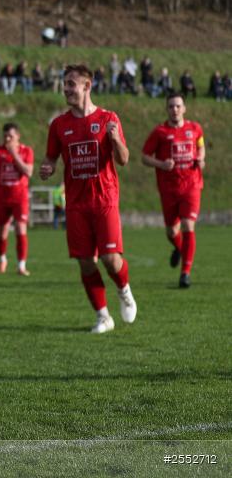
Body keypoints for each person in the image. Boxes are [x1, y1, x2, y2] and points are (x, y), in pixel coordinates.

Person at [39, 64, 137, 334]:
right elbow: (50, 157)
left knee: (110, 258)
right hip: (76, 204)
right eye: (65, 83)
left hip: (104, 200)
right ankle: (103, 316)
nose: (66, 88)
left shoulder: (108, 118)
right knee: (85, 261)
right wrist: (47, 167)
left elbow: (124, 159)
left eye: (71, 83)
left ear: (87, 86)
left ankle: (124, 289)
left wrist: (116, 140)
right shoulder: (59, 125)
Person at [141, 94, 205, 288]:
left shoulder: (194, 129)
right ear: (166, 109)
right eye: (171, 106)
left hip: (192, 185)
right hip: (168, 189)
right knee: (171, 231)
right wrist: (161, 164)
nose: (175, 110)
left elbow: (200, 145)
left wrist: (201, 158)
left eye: (178, 106)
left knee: (187, 225)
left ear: (184, 108)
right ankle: (179, 248)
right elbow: (144, 157)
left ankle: (185, 273)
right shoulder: (160, 132)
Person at [0, 123, 34, 275]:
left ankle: (21, 265)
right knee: (2, 232)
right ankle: (2, 259)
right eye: (5, 136)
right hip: (2, 197)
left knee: (20, 228)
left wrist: (14, 155)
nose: (7, 139)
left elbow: (28, 171)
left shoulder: (26, 151)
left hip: (20, 197)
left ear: (18, 136)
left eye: (10, 136)